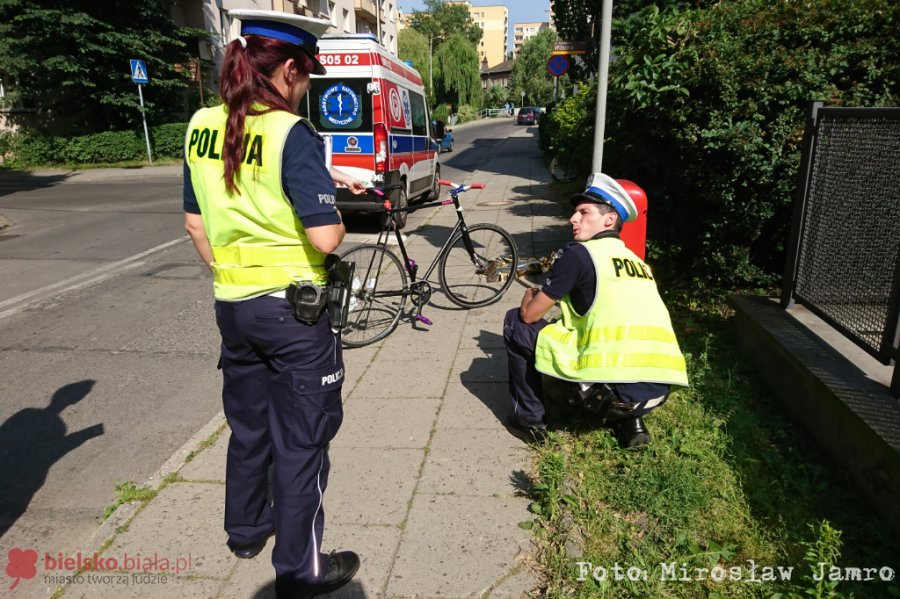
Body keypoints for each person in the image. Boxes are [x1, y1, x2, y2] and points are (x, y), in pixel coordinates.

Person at [182, 9, 365, 599]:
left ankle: (244, 530)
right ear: (288, 69)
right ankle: (302, 569)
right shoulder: (292, 131)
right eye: (306, 76)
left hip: (232, 308)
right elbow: (324, 238)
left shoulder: (203, 123)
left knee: (249, 426)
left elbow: (195, 223)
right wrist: (333, 209)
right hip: (294, 316)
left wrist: (235, 274)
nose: (305, 88)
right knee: (302, 440)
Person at [502, 173, 689, 448]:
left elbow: (530, 316)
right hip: (659, 390)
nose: (573, 219)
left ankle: (531, 422)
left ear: (609, 219)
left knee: (515, 322)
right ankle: (631, 421)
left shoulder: (579, 254)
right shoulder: (637, 263)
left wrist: (527, 298)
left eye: (583, 212)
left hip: (605, 392)